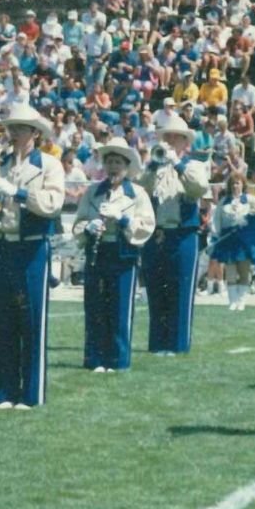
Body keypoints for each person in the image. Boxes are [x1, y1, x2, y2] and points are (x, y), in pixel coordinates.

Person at [0, 103, 65, 410]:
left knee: (31, 319)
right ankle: (3, 392)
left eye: (20, 128)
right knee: (3, 319)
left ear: (34, 132)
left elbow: (53, 203)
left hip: (32, 246)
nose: (14, 133)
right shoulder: (0, 164)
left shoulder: (48, 164)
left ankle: (30, 394)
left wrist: (18, 193)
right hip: (5, 245)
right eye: (11, 128)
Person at [73, 138, 155, 373]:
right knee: (95, 307)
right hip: (98, 253)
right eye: (109, 162)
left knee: (120, 309)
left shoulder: (137, 193)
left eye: (118, 162)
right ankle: (95, 359)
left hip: (122, 254)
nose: (113, 167)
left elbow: (147, 225)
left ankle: (117, 360)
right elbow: (78, 223)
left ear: (126, 166)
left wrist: (124, 219)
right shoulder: (92, 192)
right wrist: (88, 227)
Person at [139, 116, 211, 355]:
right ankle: (157, 344)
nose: (169, 141)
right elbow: (141, 189)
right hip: (156, 233)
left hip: (182, 234)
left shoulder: (194, 165)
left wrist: (177, 163)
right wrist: (152, 165)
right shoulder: (155, 167)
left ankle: (178, 345)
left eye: (174, 137)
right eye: (166, 137)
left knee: (180, 289)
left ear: (184, 142)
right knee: (156, 289)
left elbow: (198, 187)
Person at [209, 172, 255, 310]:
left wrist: (249, 221)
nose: (235, 186)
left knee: (244, 270)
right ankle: (232, 301)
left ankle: (241, 301)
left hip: (244, 240)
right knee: (231, 271)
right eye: (233, 183)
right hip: (228, 240)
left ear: (243, 184)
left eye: (238, 183)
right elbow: (216, 220)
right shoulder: (224, 201)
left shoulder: (250, 200)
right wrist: (216, 236)